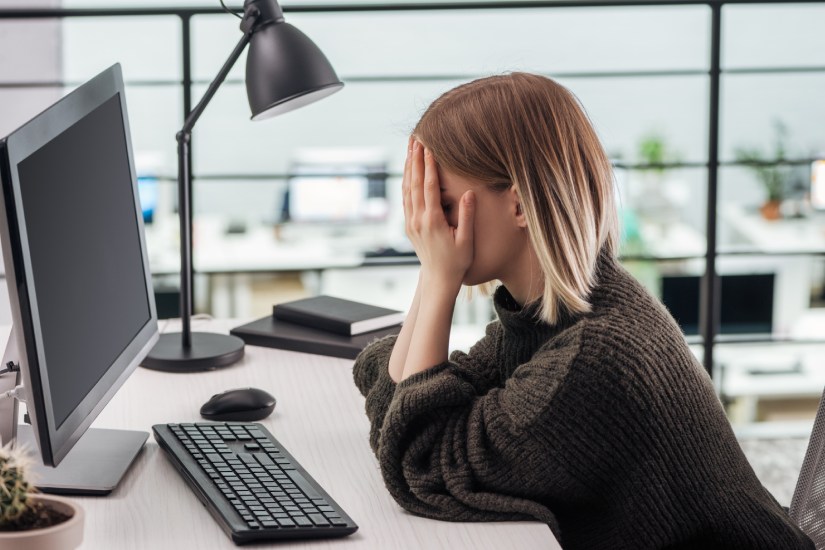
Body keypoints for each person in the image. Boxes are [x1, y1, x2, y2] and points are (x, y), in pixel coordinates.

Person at [352, 72, 813, 549]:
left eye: (442, 207)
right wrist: (432, 271)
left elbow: (423, 465)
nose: (426, 227)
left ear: (520, 205)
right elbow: (405, 421)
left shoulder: (591, 358)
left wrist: (438, 277)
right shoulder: (551, 314)